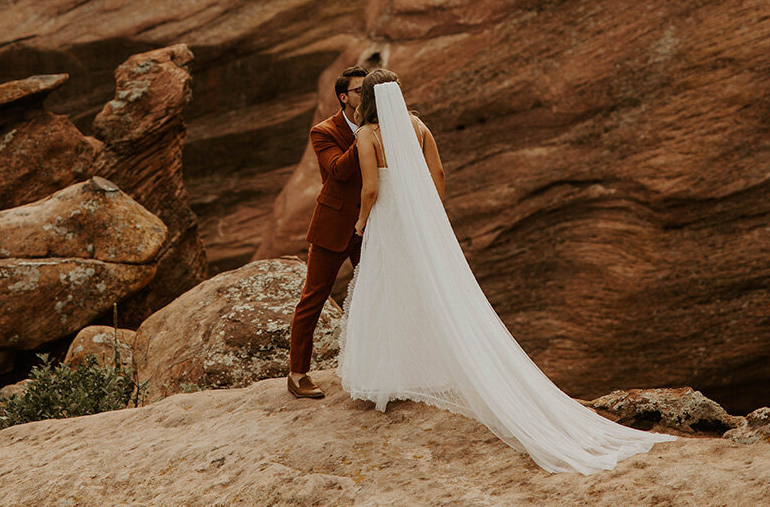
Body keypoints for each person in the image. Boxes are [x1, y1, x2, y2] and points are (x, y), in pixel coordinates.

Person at [338, 69, 678, 475]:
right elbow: (439, 174)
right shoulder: (418, 125)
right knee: (435, 290)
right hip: (422, 220)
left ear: (370, 99)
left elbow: (371, 189)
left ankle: (390, 374)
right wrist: (430, 213)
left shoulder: (367, 136)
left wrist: (361, 223)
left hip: (391, 220)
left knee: (389, 289)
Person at [288, 65, 368, 399]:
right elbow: (338, 171)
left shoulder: (378, 128)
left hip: (369, 226)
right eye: (359, 91)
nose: (364, 96)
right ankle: (297, 374)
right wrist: (365, 135)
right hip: (333, 226)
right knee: (314, 297)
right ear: (343, 97)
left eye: (368, 90)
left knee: (377, 294)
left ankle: (372, 367)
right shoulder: (324, 131)